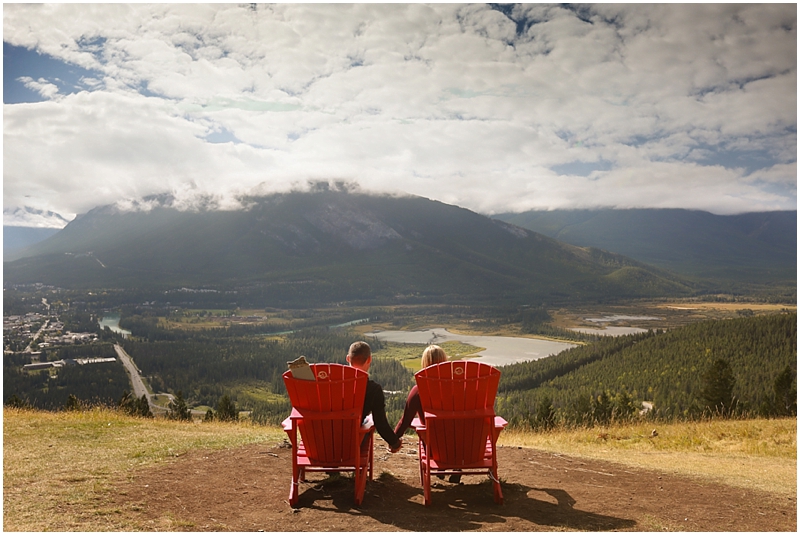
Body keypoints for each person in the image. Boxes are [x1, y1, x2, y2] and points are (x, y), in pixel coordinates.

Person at [393, 344, 462, 483]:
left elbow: (405, 420)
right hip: (464, 447)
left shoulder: (418, 390)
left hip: (434, 450)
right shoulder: (460, 386)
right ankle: (456, 467)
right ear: (445, 362)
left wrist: (394, 440)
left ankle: (440, 468)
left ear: (424, 364)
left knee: (434, 434)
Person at [346, 341, 403, 454]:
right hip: (352, 444)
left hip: (322, 443)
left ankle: (332, 468)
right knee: (367, 423)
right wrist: (395, 443)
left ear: (348, 358)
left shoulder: (331, 384)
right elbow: (380, 423)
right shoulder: (373, 389)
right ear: (369, 359)